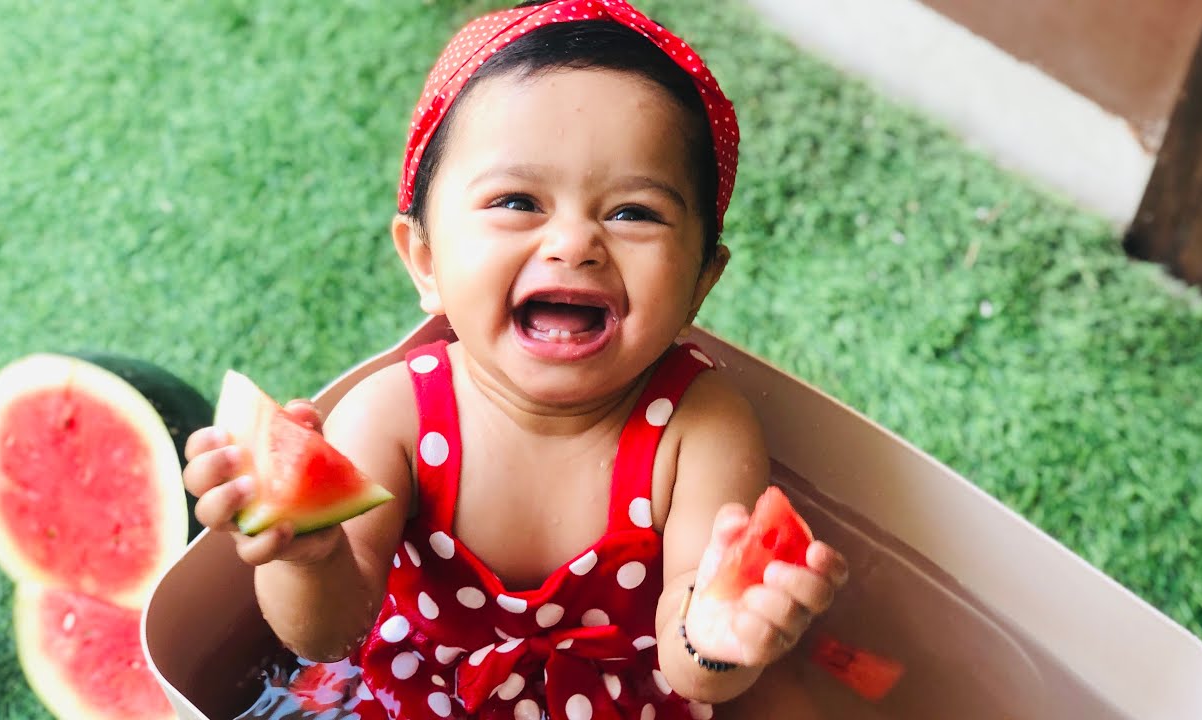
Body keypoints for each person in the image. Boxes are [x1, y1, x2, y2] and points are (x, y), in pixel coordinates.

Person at [184, 1, 848, 718]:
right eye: (516, 200)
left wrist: (720, 636)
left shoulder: (699, 426)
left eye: (634, 213)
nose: (574, 242)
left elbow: (693, 664)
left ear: (700, 284)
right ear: (426, 260)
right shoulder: (393, 414)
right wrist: (308, 558)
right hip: (416, 700)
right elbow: (330, 635)